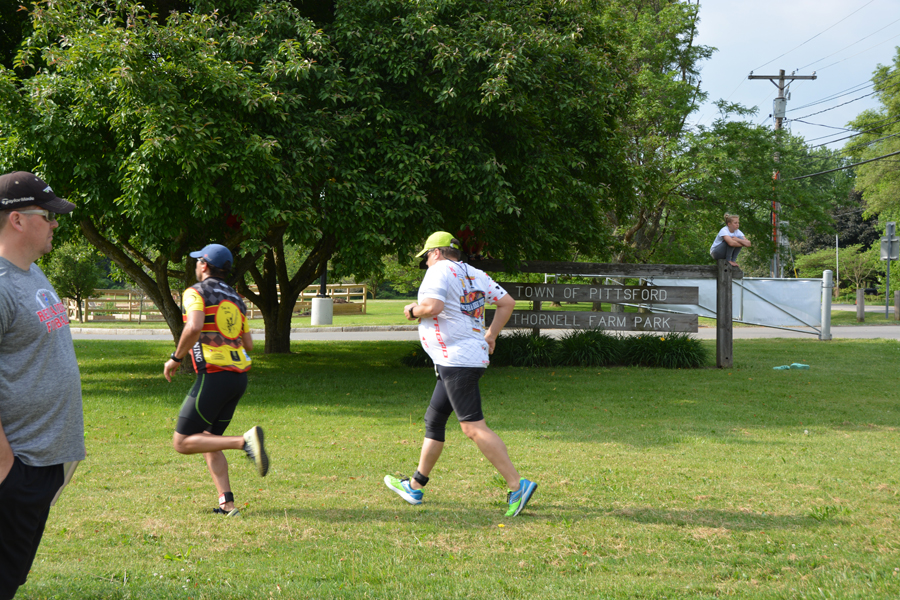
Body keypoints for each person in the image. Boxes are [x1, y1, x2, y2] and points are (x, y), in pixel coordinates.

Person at [383, 232, 537, 517]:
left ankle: (518, 485)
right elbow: (507, 303)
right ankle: (415, 485)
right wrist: (491, 335)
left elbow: (433, 307)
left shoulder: (438, 270)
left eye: (426, 257)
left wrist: (413, 310)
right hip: (461, 358)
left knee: (472, 427)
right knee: (434, 420)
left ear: (436, 252)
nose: (425, 263)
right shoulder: (475, 274)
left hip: (457, 361)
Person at [0, 171, 85, 599]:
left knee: (11, 578)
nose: (55, 223)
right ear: (17, 220)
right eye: (47, 215)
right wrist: (6, 468)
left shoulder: (31, 273)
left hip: (42, 464)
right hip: (17, 468)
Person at [164, 243, 269, 517]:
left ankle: (244, 442)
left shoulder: (196, 292)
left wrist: (176, 358)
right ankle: (227, 505)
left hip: (214, 375)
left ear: (204, 265)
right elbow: (248, 344)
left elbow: (194, 326)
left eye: (198, 261)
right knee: (209, 439)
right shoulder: (237, 299)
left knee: (182, 442)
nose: (196, 265)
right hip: (238, 378)